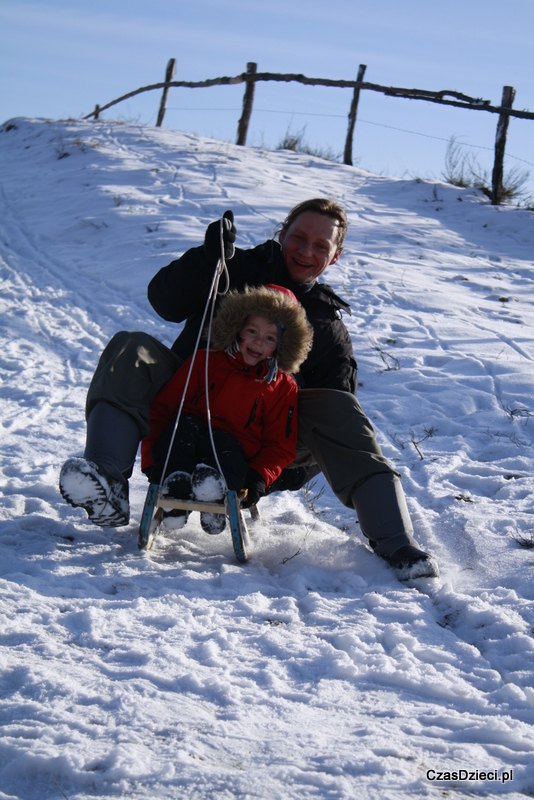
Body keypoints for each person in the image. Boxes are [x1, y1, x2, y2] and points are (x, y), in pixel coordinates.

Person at [59, 197, 438, 578]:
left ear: (335, 256)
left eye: (321, 245)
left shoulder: (327, 326)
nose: (307, 251)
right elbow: (165, 302)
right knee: (131, 348)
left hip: (252, 442)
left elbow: (334, 429)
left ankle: (396, 542)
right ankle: (106, 481)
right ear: (281, 234)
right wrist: (206, 259)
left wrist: (259, 480)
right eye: (299, 237)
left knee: (340, 405)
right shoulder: (232, 267)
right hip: (185, 407)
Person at [139, 284, 313, 534]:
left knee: (225, 446)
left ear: (282, 345)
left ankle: (213, 498)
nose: (257, 342)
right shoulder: (204, 361)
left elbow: (279, 445)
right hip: (186, 446)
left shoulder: (281, 387)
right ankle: (174, 494)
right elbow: (163, 409)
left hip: (232, 459)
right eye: (252, 331)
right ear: (237, 327)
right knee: (183, 428)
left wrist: (257, 478)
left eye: (269, 338)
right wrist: (150, 459)